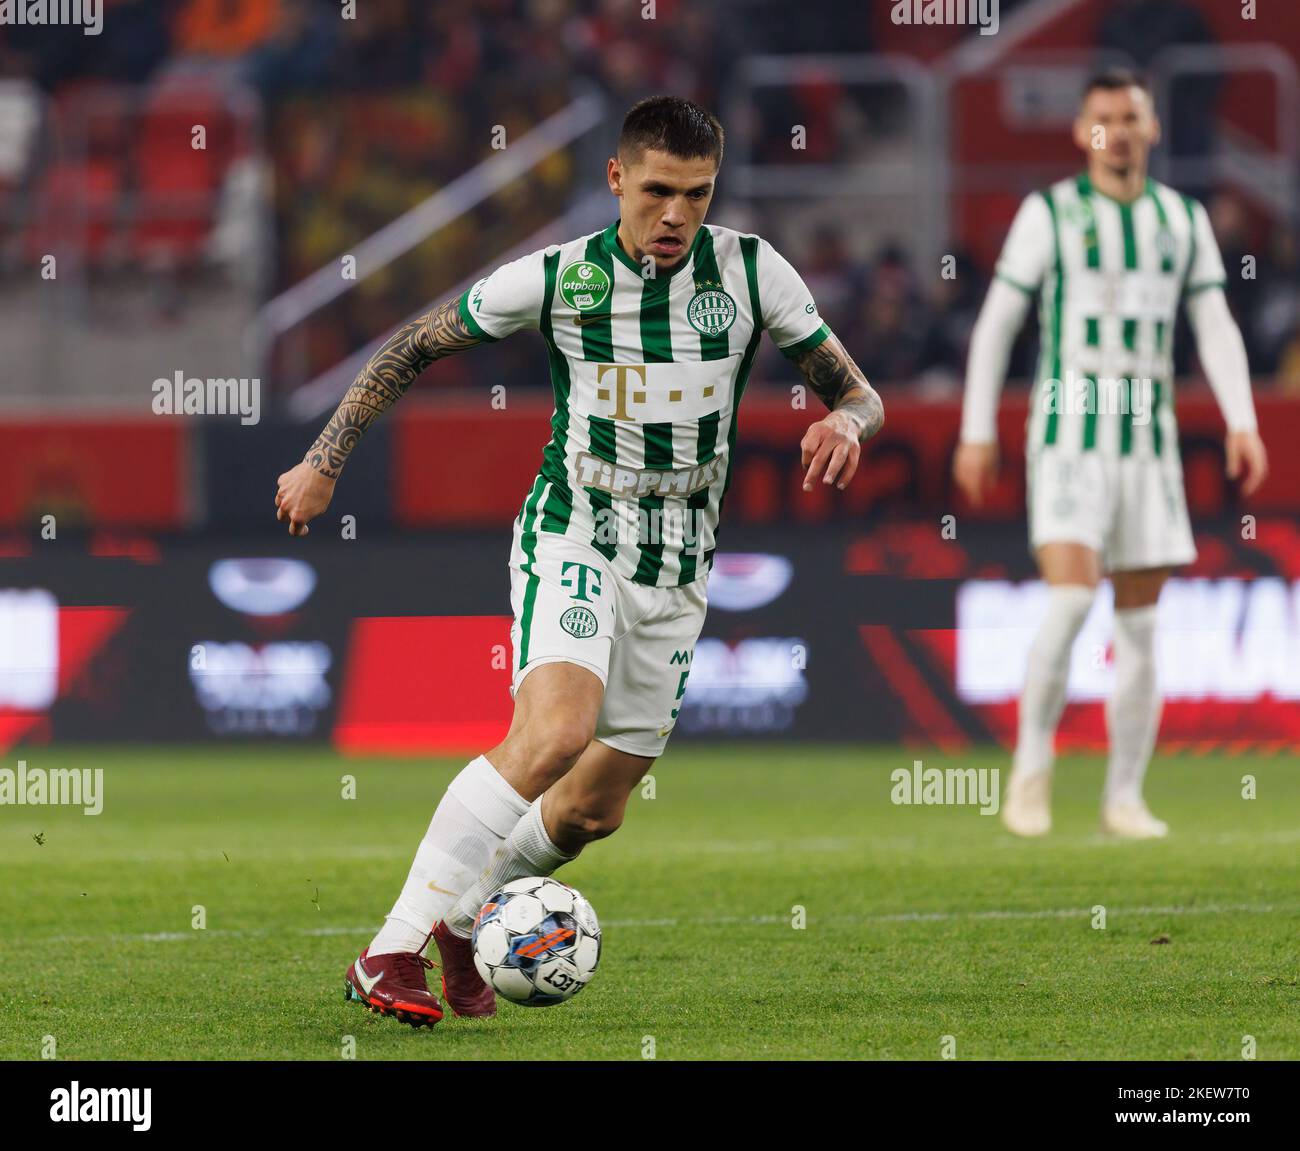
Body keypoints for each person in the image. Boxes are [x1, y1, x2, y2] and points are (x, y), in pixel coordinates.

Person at [274, 95, 884, 1026]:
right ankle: (390, 948)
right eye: (657, 191)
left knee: (593, 809)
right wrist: (323, 462)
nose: (676, 214)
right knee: (556, 733)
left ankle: (466, 917)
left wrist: (845, 416)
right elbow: (412, 345)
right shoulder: (561, 278)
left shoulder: (756, 274)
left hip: (679, 569)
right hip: (578, 531)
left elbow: (859, 392)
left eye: (697, 194)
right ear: (616, 180)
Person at [954, 69, 1267, 840]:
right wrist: (976, 427)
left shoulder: (1180, 218)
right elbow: (997, 323)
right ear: (1081, 132)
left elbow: (1214, 322)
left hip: (1148, 443)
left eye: (1130, 117)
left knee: (1140, 625)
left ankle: (1124, 796)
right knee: (1067, 598)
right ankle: (1029, 778)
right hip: (1068, 431)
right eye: (1103, 118)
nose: (1117, 131)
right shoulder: (1049, 213)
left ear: (1153, 127)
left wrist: (1242, 419)